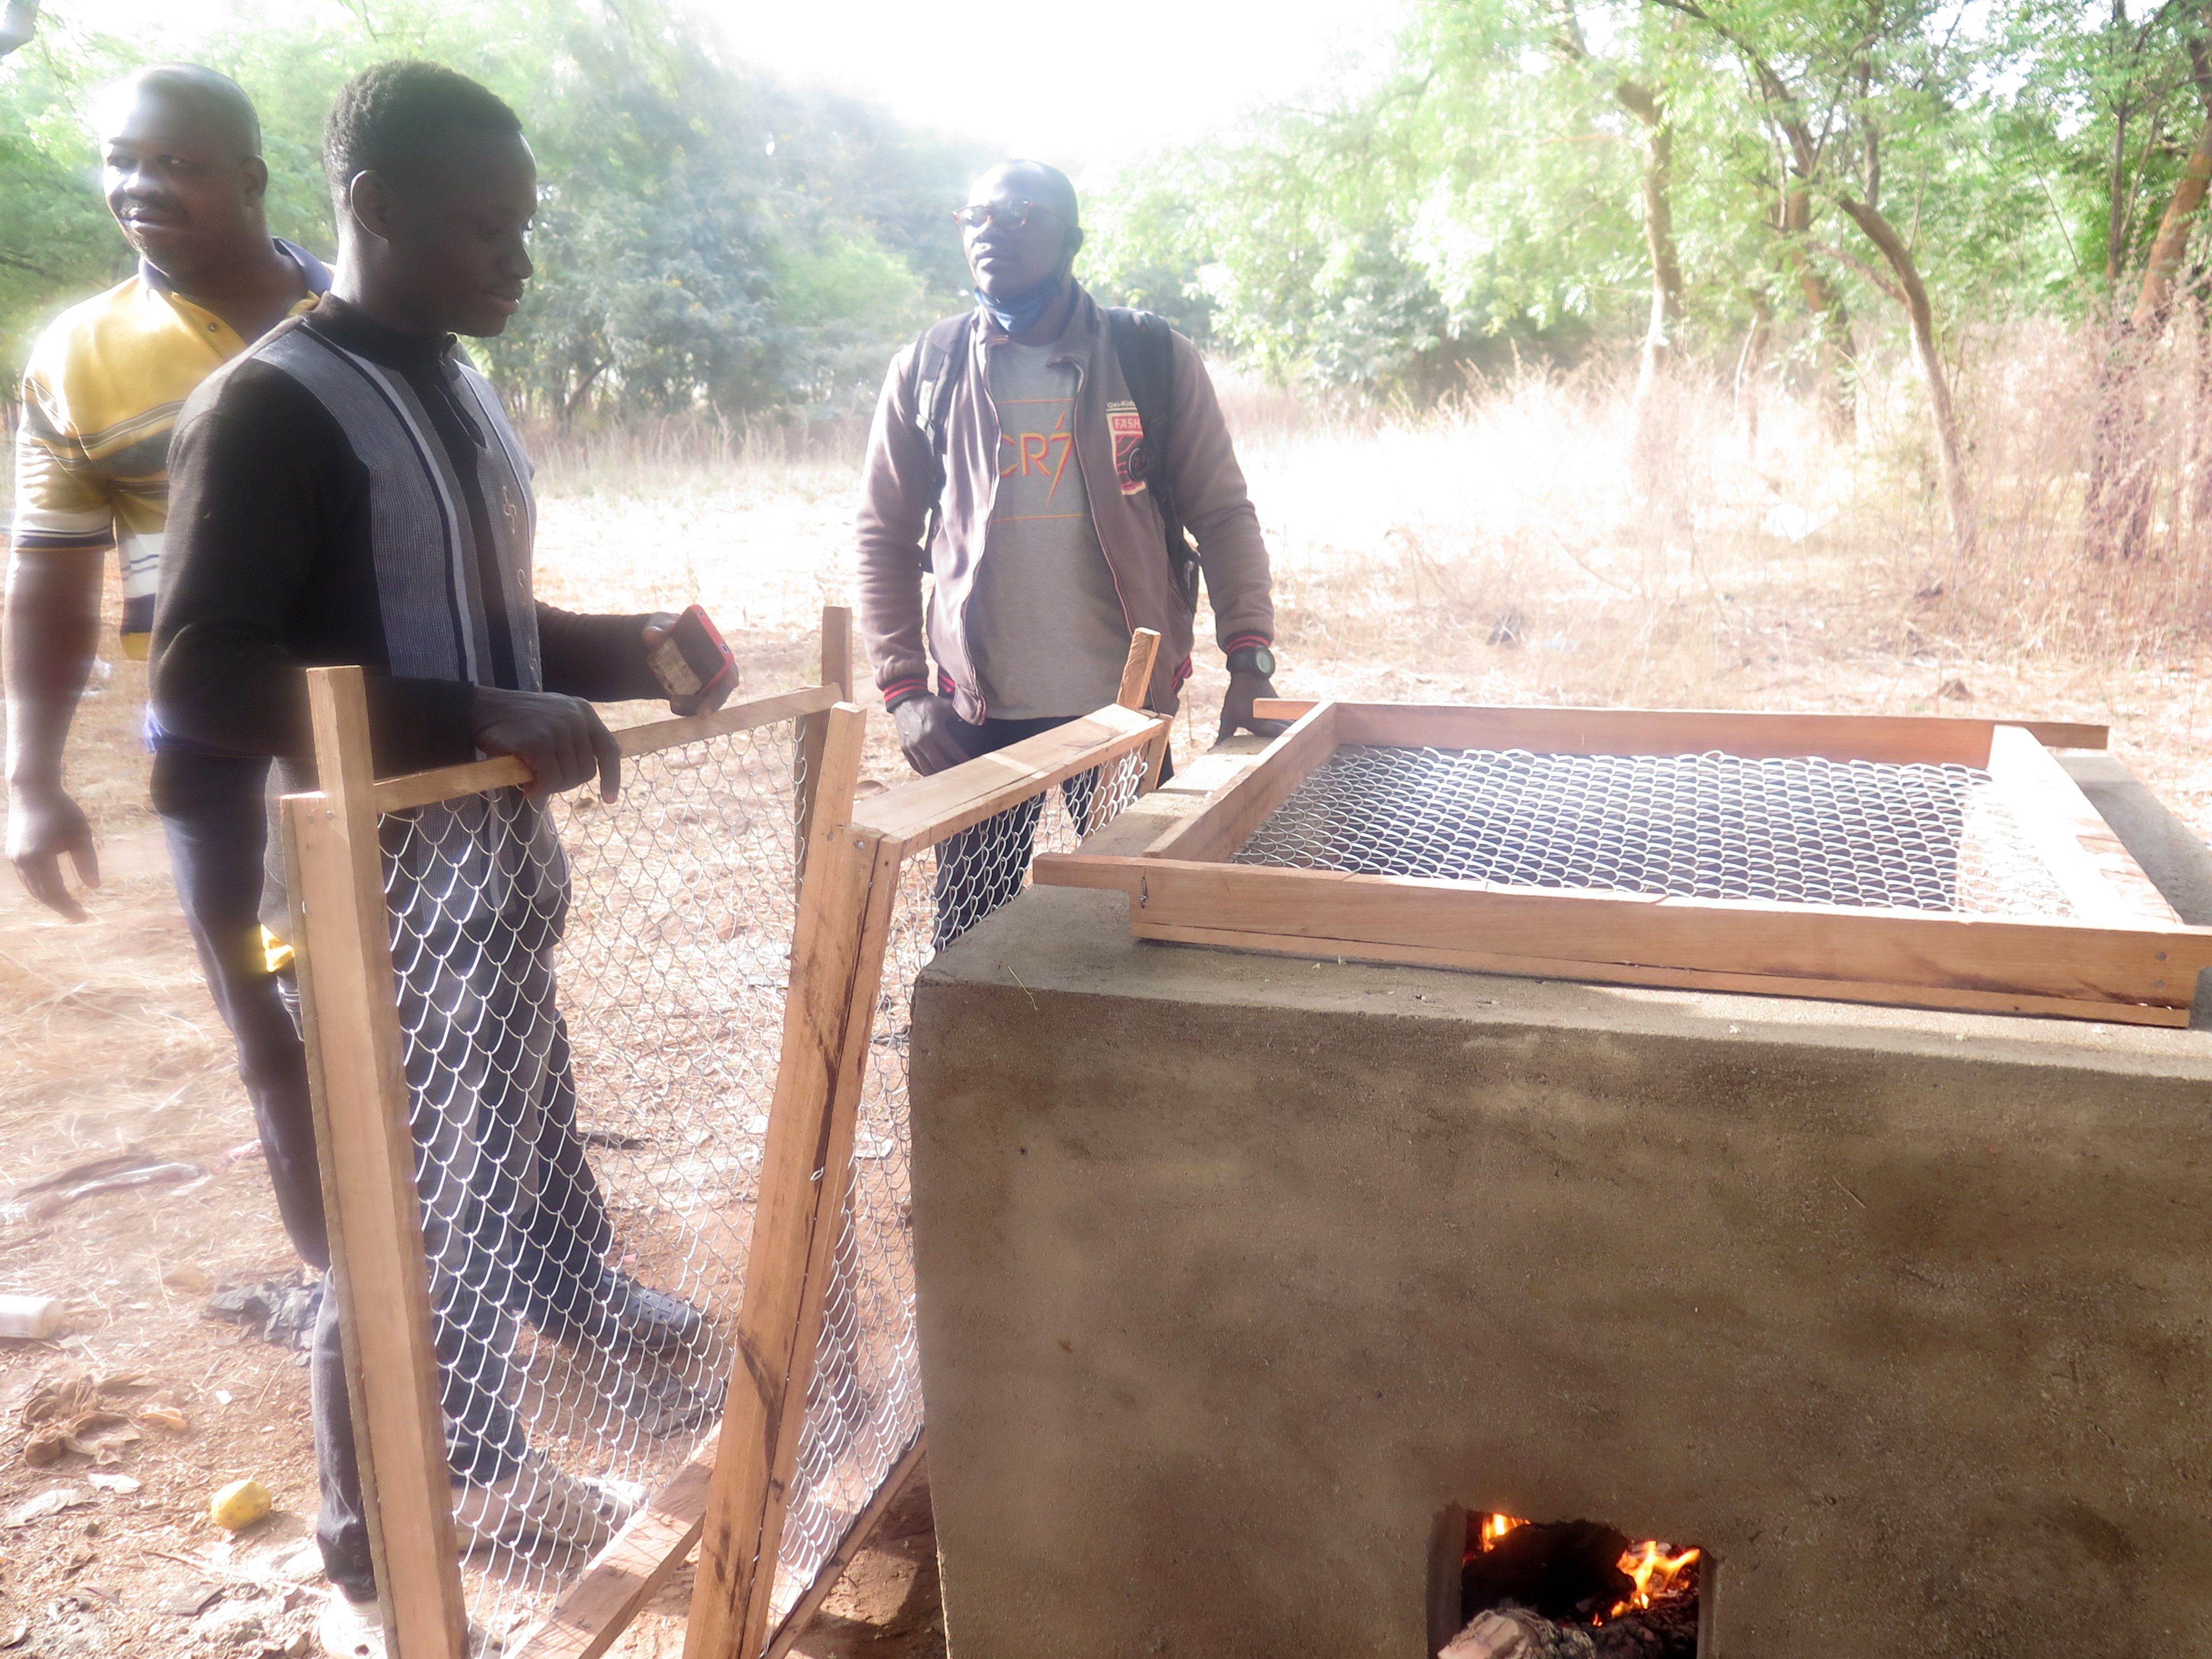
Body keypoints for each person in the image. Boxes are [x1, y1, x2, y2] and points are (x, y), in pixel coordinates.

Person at [148, 60, 698, 1657]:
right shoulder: (267, 407)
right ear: (372, 210)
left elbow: (478, 626)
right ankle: (372, 1550)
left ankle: (480, 1467)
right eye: (483, 229)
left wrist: (630, 652)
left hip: (492, 894)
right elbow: (202, 674)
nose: (517, 262)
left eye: (524, 230)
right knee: (391, 1225)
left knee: (485, 1199)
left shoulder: (454, 383)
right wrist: (473, 705)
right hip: (364, 904)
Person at [5, 65, 333, 1264]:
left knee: (463, 1004)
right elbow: (49, 575)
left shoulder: (363, 310)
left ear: (250, 178)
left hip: (389, 732)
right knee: (270, 1016)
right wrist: (32, 778)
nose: (140, 187)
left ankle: (549, 1276)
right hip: (213, 754)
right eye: (122, 163)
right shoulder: (78, 356)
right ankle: (344, 1294)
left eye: (179, 164)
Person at [855, 159, 1286, 941]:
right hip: (975, 720)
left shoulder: (1150, 359)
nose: (991, 232)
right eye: (975, 217)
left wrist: (1249, 660)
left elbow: (1222, 514)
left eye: (1020, 214)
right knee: (974, 948)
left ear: (1072, 239)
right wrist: (904, 692)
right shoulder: (930, 368)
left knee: (1144, 929)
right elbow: (882, 536)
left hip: (1122, 711)